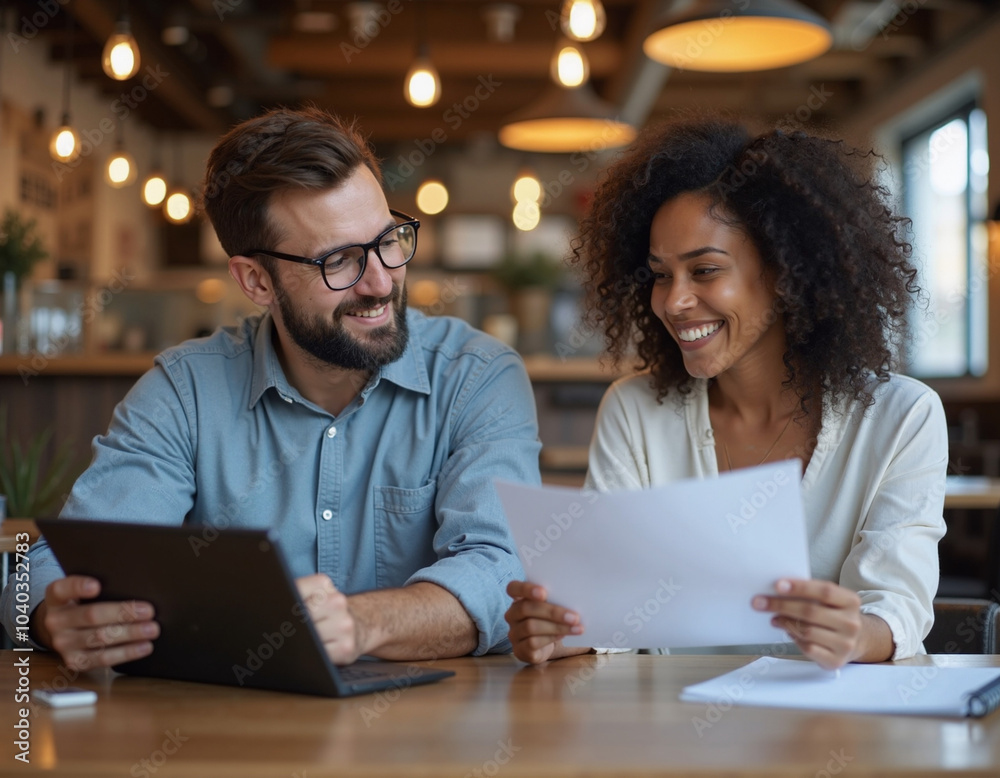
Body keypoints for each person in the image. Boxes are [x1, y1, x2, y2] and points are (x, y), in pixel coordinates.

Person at [1, 107, 541, 670]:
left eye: (388, 241)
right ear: (256, 280)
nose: (381, 282)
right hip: (223, 745)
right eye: (340, 261)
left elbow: (502, 568)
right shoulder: (184, 392)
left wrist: (362, 623)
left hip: (425, 746)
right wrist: (45, 615)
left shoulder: (476, 376)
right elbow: (59, 564)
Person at [505, 118, 947, 670]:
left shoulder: (899, 417)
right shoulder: (635, 412)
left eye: (705, 270)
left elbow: (898, 606)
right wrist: (561, 630)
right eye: (661, 276)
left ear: (787, 271)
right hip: (677, 733)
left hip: (840, 733)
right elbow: (611, 610)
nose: (673, 302)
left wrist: (855, 635)